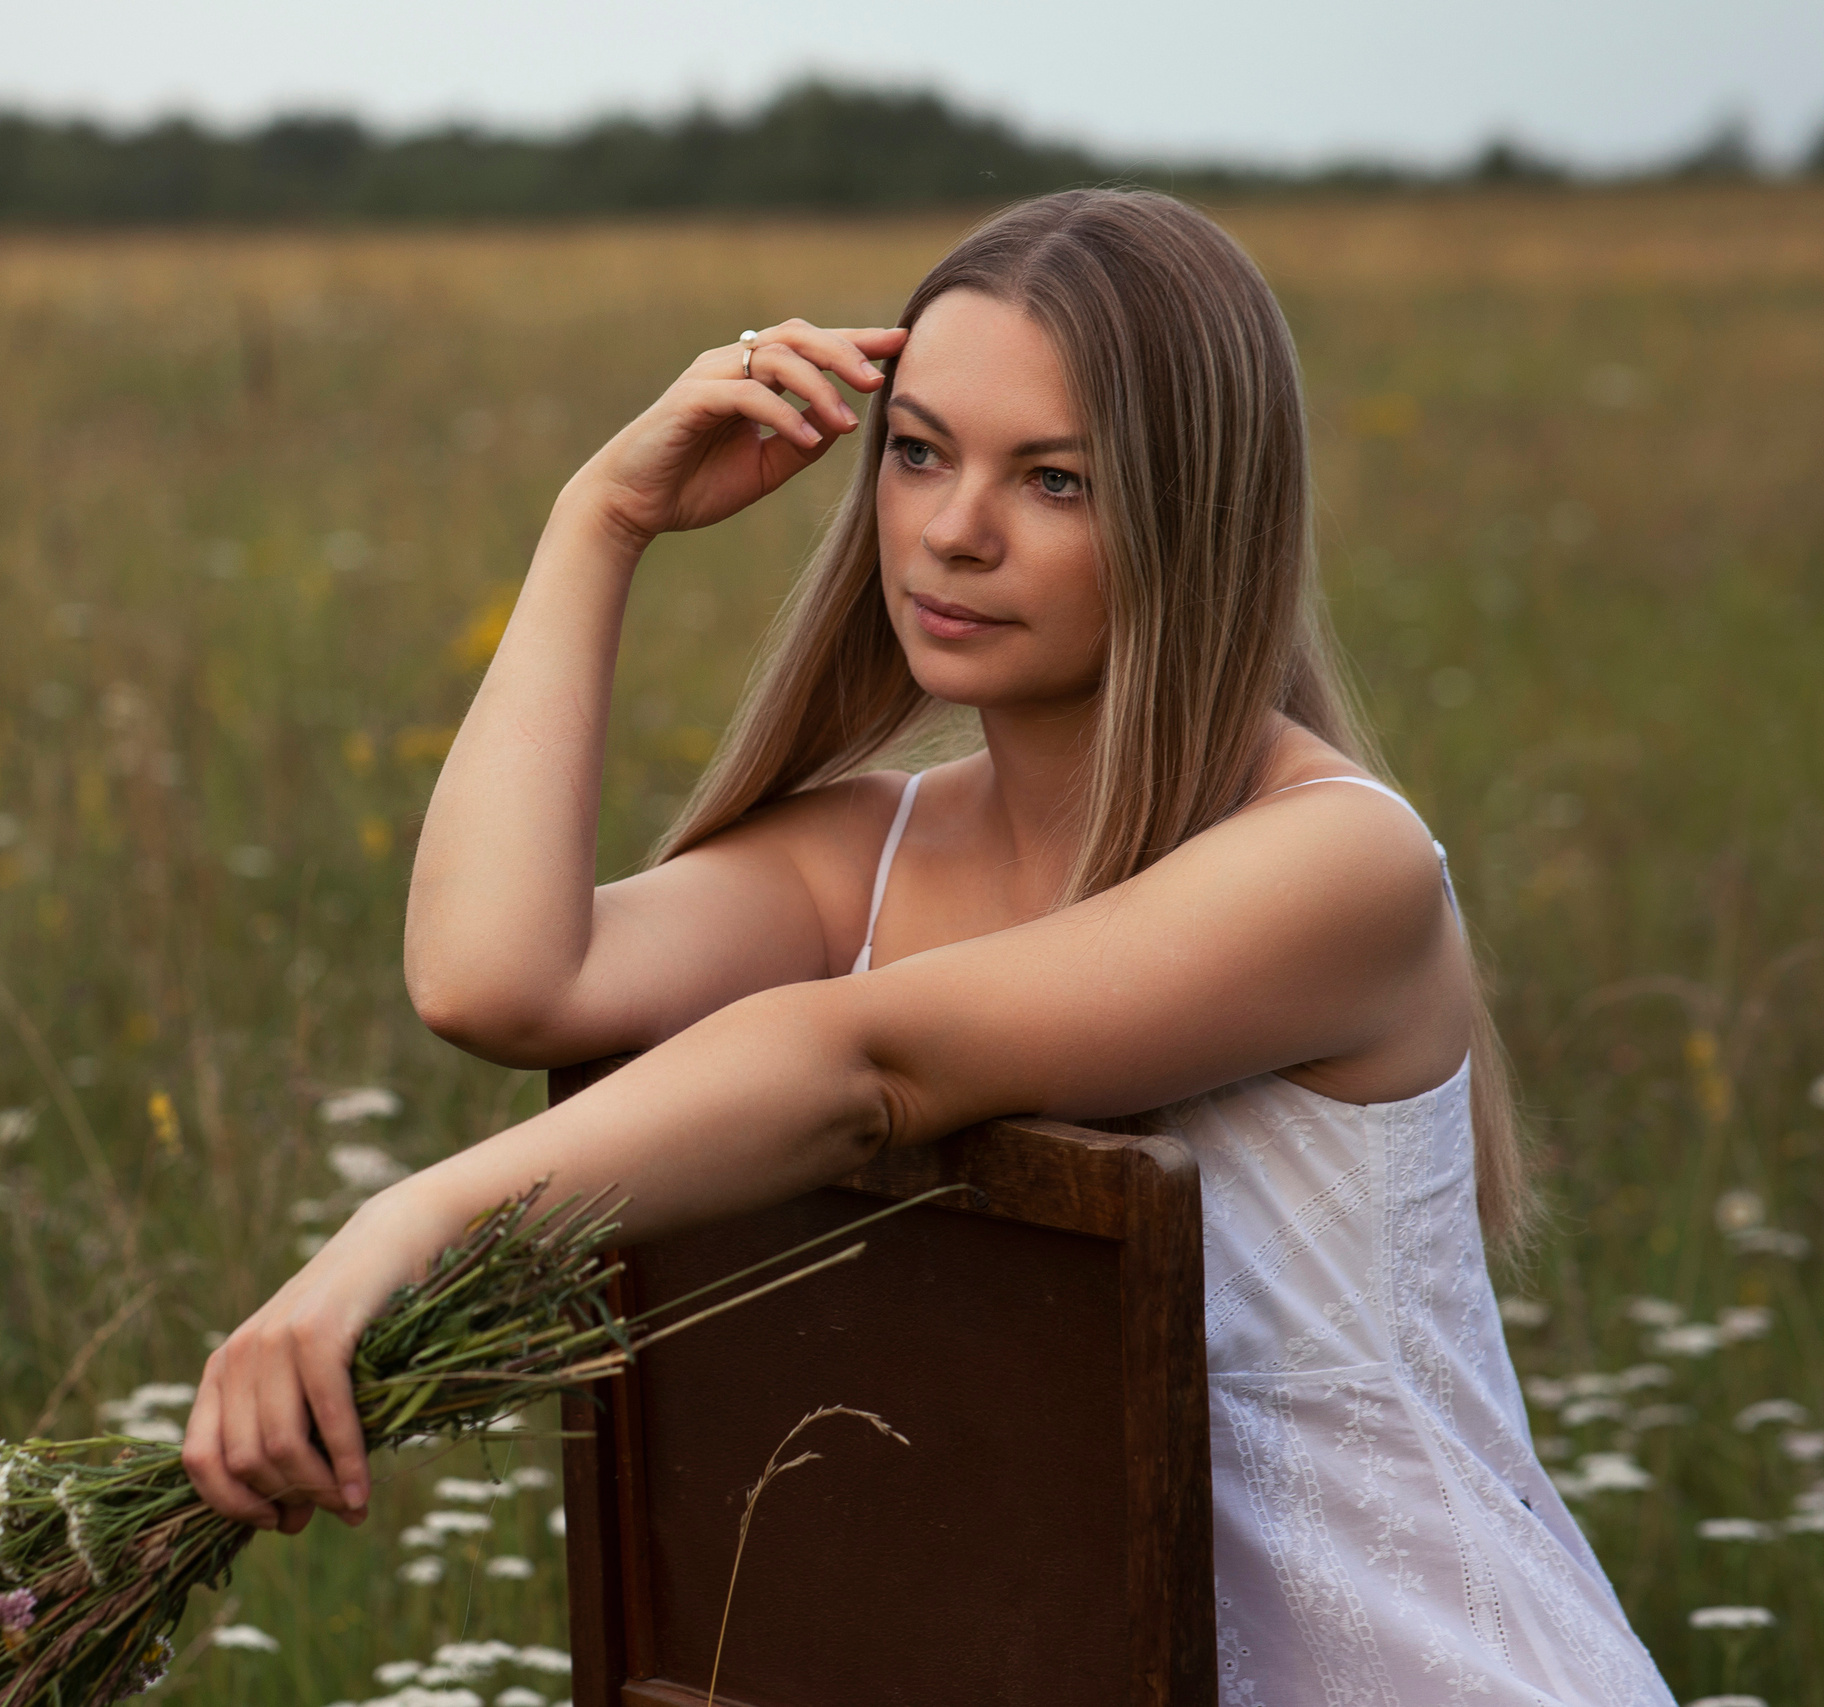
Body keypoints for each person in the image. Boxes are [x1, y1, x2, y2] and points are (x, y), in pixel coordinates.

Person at [182, 189, 1674, 1705]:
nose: (955, 531)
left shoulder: (1338, 867)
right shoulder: (865, 853)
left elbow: (868, 1066)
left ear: (1197, 519)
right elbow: (497, 981)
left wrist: (407, 1226)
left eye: (1056, 480)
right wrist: (601, 520)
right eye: (917, 452)